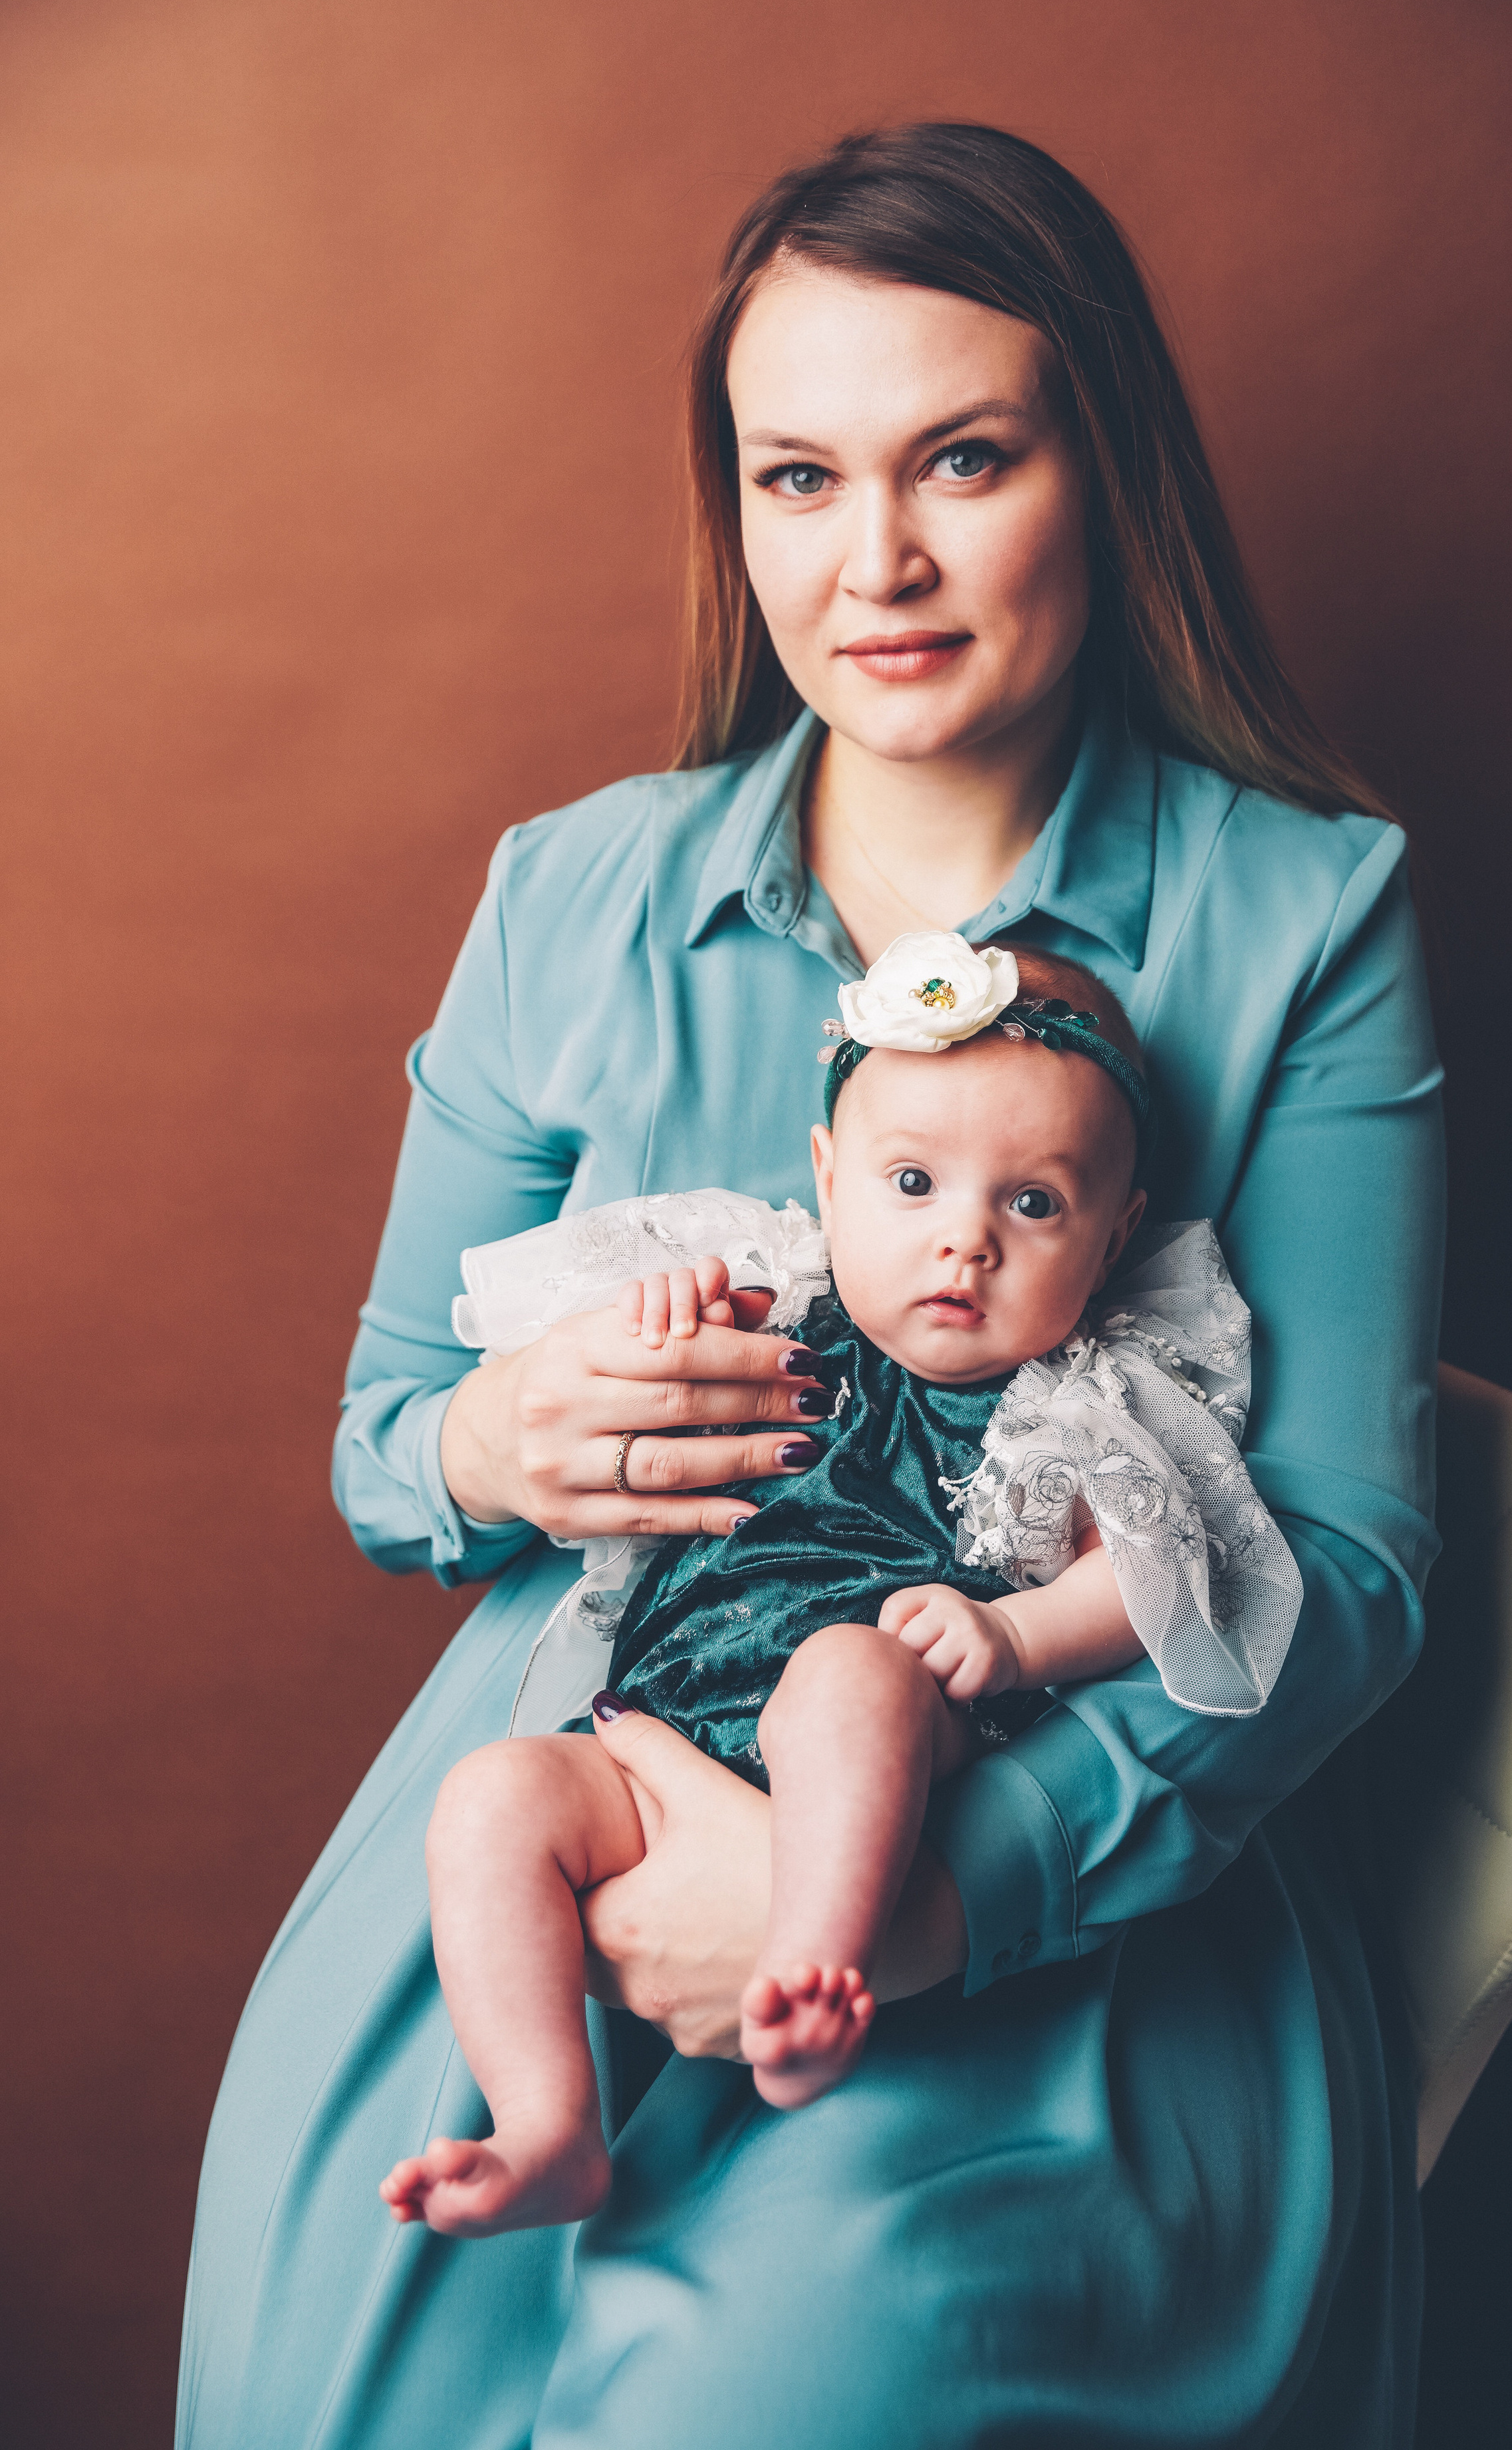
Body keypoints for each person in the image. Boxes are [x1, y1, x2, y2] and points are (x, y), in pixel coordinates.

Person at [177, 123, 1444, 2450]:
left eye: (963, 458)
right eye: (797, 478)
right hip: (551, 1810)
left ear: (1105, 469)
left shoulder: (1308, 919)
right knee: (319, 2356)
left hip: (1045, 1882)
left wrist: (945, 1894)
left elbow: (1347, 1571)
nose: (875, 561)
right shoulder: (571, 896)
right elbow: (383, 1453)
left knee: (762, 2389)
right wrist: (483, 1439)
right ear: (737, 509)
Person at [378, 935, 1305, 2227]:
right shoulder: (783, 1306)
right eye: (913, 1183)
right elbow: (624, 1412)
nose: (962, 1244)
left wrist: (1016, 1633)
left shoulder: (1074, 1404)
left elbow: (1149, 1576)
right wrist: (672, 1333)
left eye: (1030, 1203)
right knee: (490, 1801)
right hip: (649, 1737)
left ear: (1112, 1237)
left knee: (844, 1668)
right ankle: (546, 2122)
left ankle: (810, 1967)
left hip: (880, 1721)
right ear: (828, 1178)